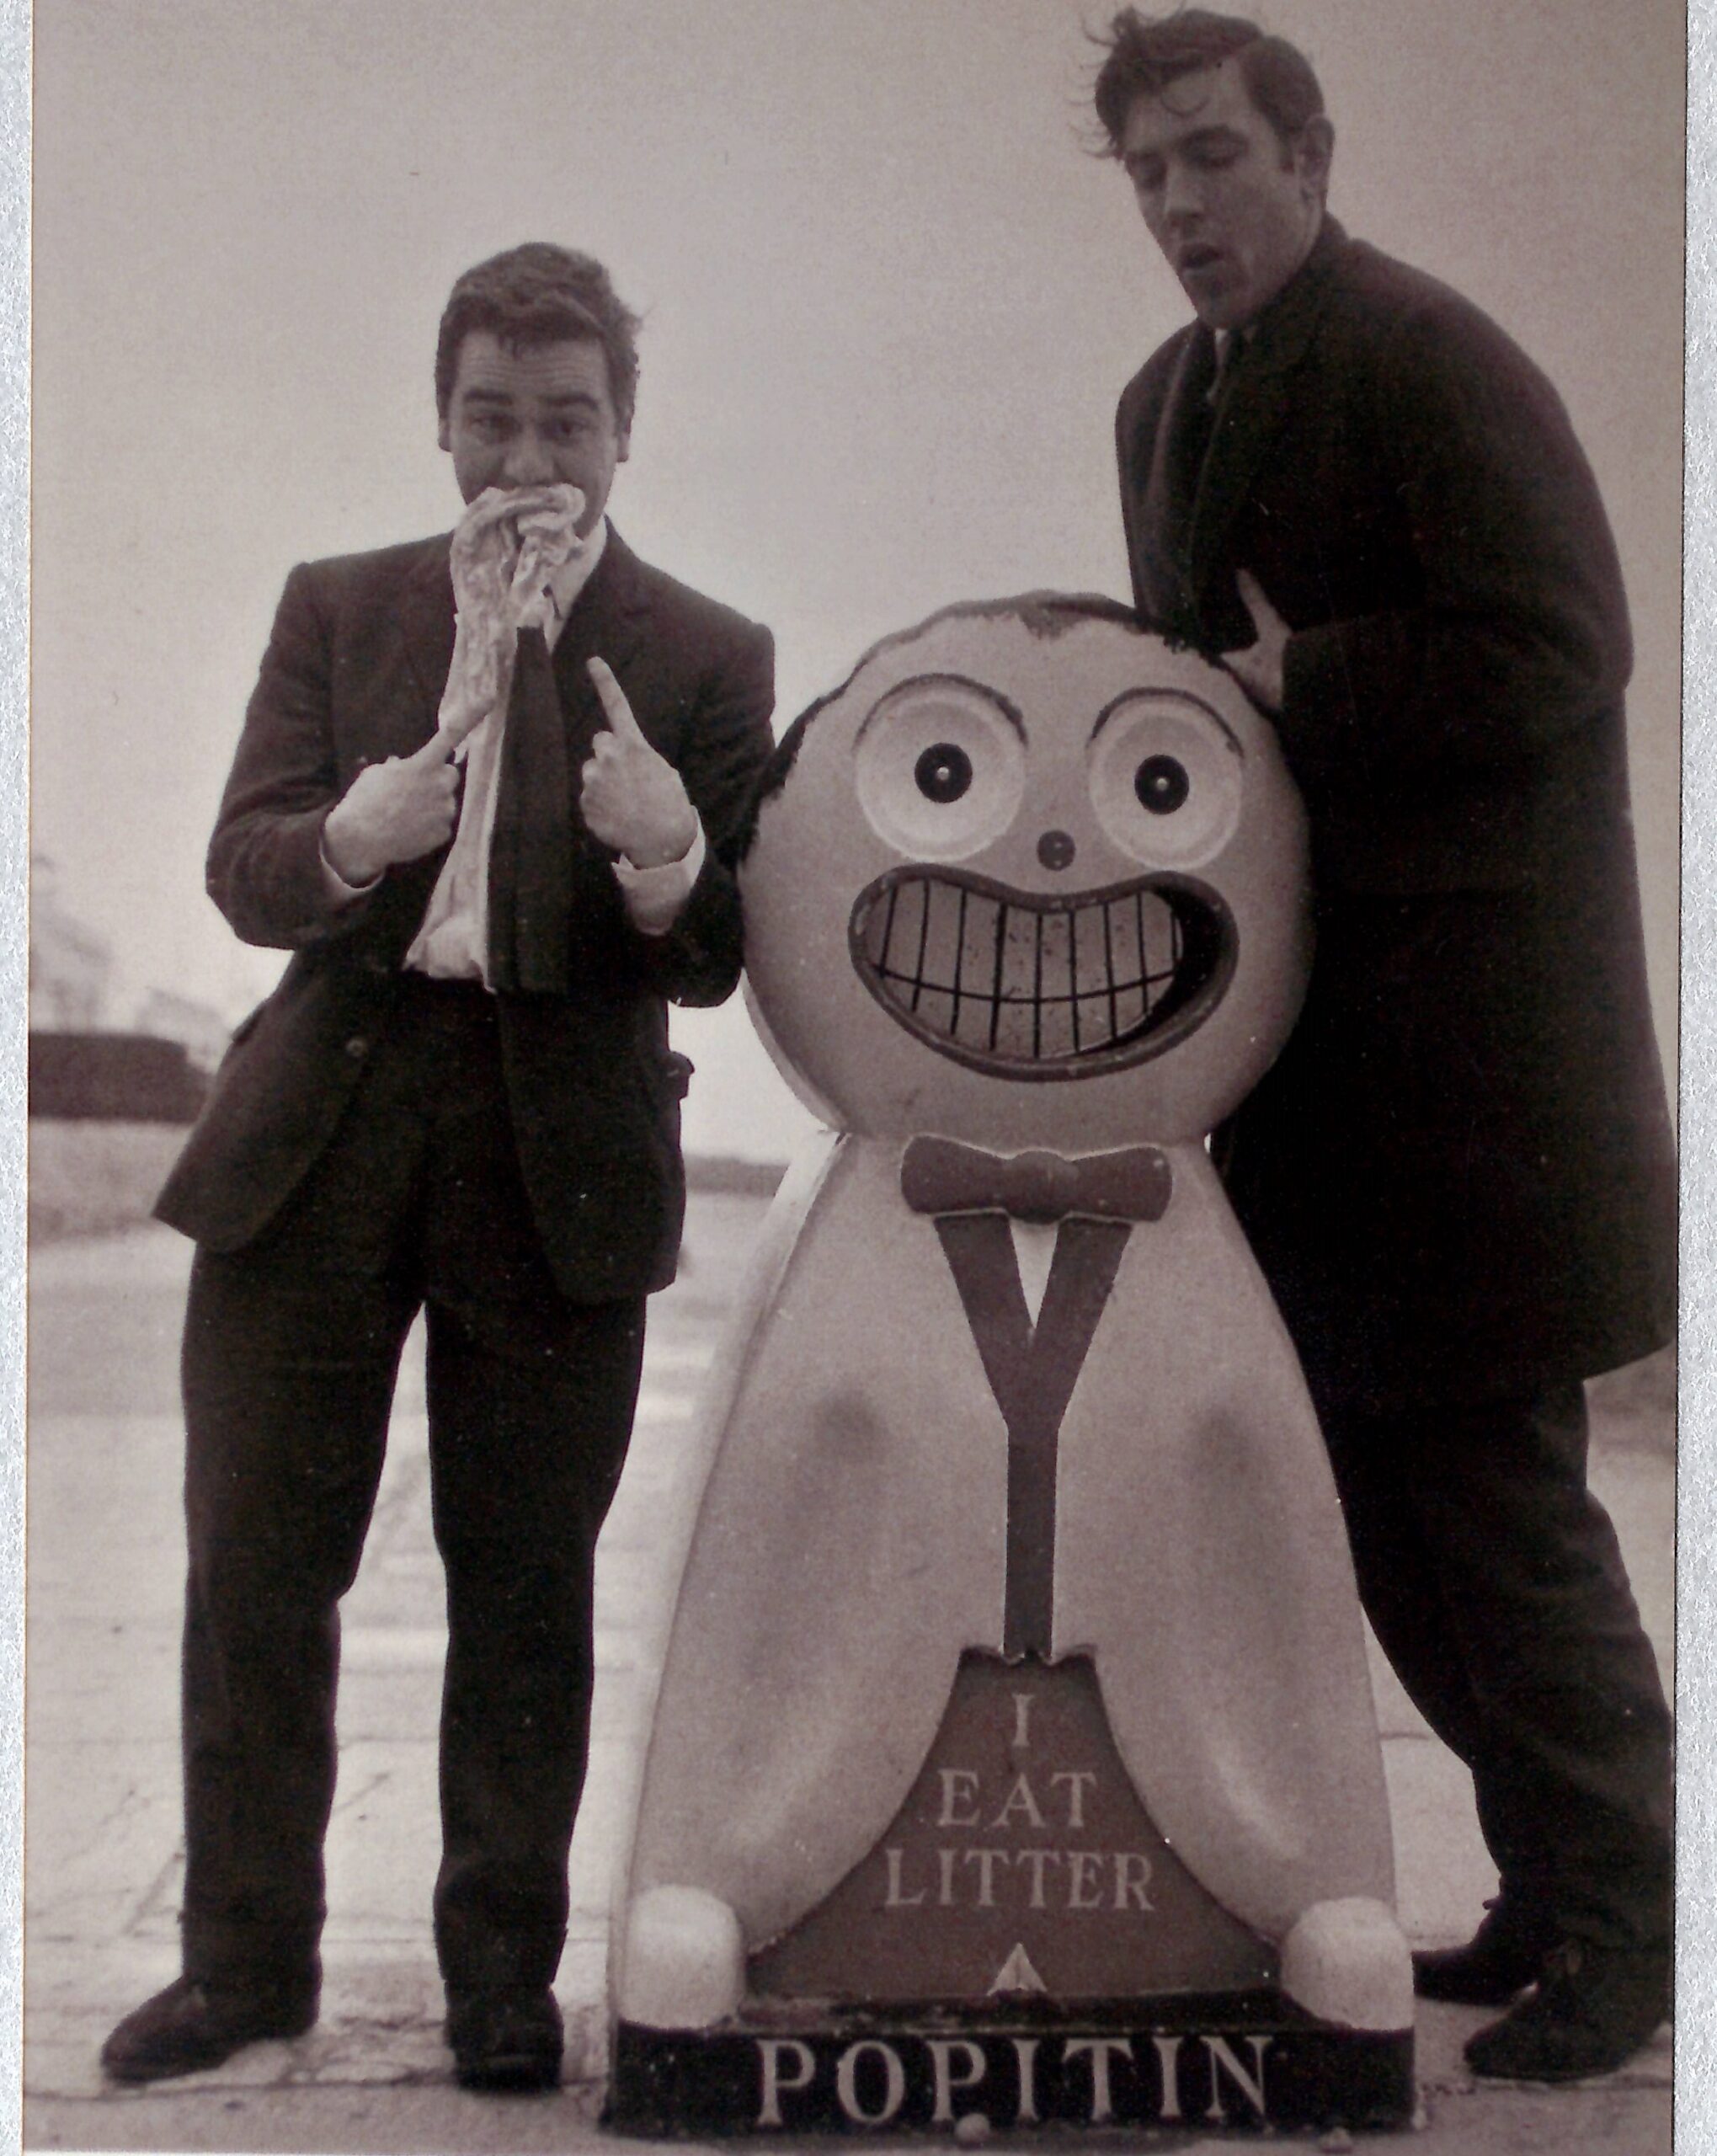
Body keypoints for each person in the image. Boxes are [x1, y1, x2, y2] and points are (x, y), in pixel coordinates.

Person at [99, 243, 776, 2092]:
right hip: (319, 1127)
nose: (524, 455)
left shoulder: (711, 653)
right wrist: (345, 833)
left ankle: (498, 1976)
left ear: (625, 433)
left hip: (558, 1150)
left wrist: (665, 854)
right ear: (443, 420)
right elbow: (243, 867)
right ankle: (243, 1964)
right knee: (256, 1562)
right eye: (491, 415)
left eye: (567, 418)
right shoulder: (337, 605)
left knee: (527, 1581)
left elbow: (719, 952)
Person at [1093, 8, 1677, 2083]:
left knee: (1500, 1512)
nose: (1179, 205)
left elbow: (1564, 641)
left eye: (1214, 157)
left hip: (1489, 1078)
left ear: (1312, 156)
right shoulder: (1164, 402)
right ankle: (1547, 1885)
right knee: (1390, 1517)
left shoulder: (1431, 354)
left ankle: (1633, 1933)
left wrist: (1300, 679)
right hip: (1310, 1081)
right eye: (1148, 173)